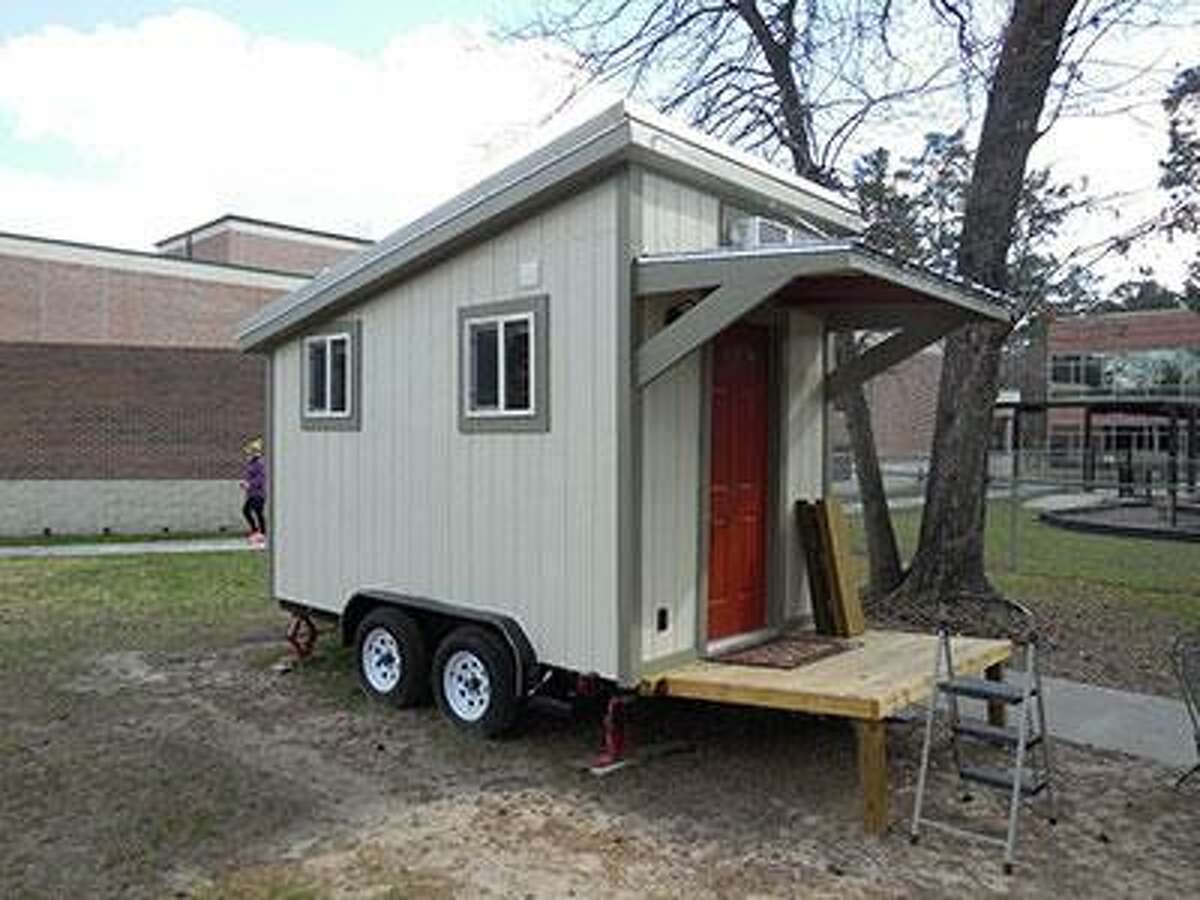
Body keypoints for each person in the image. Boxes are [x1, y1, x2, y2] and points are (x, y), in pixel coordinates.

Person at [240, 438, 267, 547]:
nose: (247, 455)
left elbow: (261, 479)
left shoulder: (259, 464)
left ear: (254, 453)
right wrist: (245, 483)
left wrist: (249, 484)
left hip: (258, 494)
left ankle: (261, 533)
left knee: (255, 512)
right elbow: (251, 477)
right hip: (251, 494)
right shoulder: (251, 464)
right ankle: (257, 532)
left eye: (249, 452)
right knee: (249, 511)